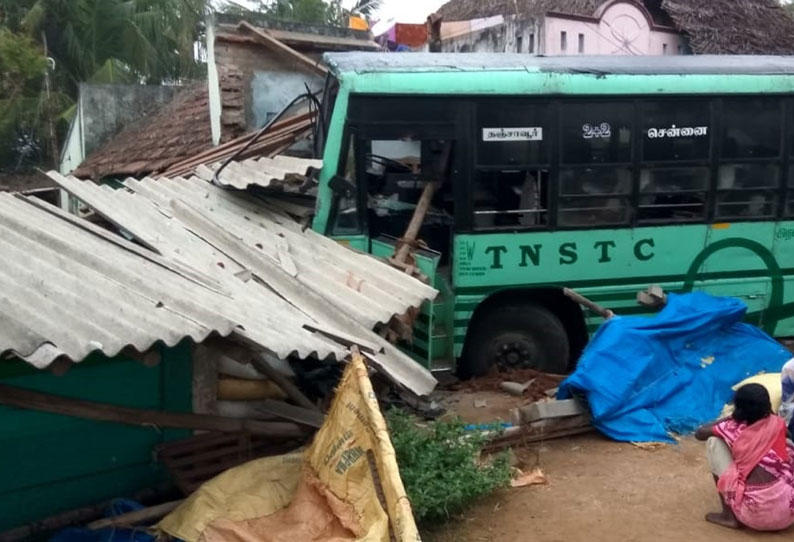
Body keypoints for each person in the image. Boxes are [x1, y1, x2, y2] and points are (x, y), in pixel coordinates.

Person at [695, 383, 794, 531]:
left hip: (754, 516)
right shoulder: (778, 423)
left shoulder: (731, 427)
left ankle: (729, 516)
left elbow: (700, 433)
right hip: (789, 515)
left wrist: (729, 418)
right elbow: (787, 435)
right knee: (787, 443)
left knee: (713, 442)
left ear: (738, 408)